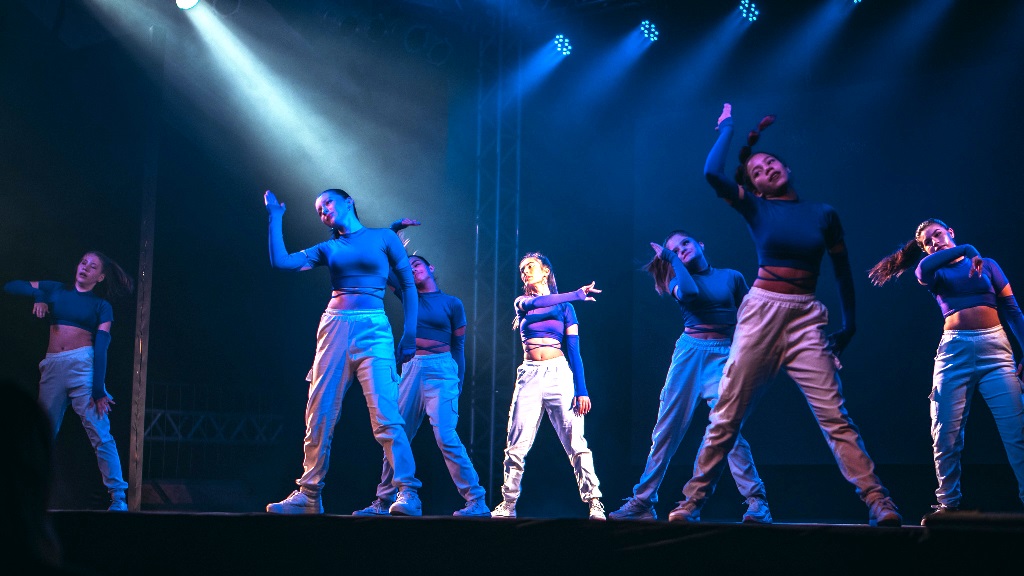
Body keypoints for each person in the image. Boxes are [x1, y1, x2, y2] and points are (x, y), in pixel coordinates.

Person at [667, 103, 902, 526]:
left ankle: (878, 501)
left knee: (835, 416)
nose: (766, 170)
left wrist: (849, 324)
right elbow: (712, 173)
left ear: (787, 168)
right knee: (727, 414)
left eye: (771, 163)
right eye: (757, 171)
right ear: (755, 187)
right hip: (761, 312)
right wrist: (727, 128)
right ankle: (691, 502)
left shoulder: (823, 214)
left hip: (806, 318)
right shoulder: (757, 208)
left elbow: (843, 272)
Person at [262, 188, 422, 516]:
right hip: (334, 327)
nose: (322, 211)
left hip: (373, 328)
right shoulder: (328, 248)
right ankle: (309, 494)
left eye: (327, 203)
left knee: (386, 415)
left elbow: (408, 285)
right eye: (318, 210)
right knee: (319, 412)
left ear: (349, 202)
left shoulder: (383, 238)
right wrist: (275, 217)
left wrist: (410, 333)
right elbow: (281, 262)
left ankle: (407, 492)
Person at [608, 231, 771, 523]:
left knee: (728, 430)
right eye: (674, 249)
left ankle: (757, 501)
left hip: (723, 355)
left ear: (701, 244)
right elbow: (691, 293)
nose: (681, 249)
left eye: (685, 243)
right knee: (666, 430)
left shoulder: (731, 276)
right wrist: (672, 261)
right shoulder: (676, 280)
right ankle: (643, 501)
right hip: (689, 354)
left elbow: (750, 316)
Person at [869, 218, 1024, 523]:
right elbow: (923, 268)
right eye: (928, 242)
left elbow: (1012, 310)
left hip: (996, 352)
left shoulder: (989, 266)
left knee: (1017, 431)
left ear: (950, 232)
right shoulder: (932, 270)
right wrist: (967, 249)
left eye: (938, 234)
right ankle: (948, 503)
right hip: (954, 354)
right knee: (945, 433)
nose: (935, 242)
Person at [352, 223, 488, 517]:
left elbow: (458, 347)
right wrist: (394, 232)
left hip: (442, 369)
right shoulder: (408, 294)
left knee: (446, 437)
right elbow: (387, 267)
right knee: (396, 433)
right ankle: (384, 501)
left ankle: (476, 500)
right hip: (412, 369)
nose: (413, 268)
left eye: (418, 264)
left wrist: (459, 380)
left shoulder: (452, 303)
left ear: (431, 268)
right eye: (409, 266)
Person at [4, 252, 133, 512]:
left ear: (100, 277)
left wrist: (98, 389)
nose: (85, 268)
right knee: (40, 434)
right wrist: (40, 296)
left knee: (100, 432)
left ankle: (118, 497)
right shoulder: (55, 289)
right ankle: (26, 495)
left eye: (92, 266)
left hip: (82, 367)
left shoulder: (101, 306)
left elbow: (101, 349)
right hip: (52, 367)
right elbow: (11, 286)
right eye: (83, 262)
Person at [490, 252, 606, 520]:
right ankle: (508, 503)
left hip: (558, 373)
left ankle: (594, 501)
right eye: (522, 269)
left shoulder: (566, 308)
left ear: (545, 271)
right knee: (515, 443)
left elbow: (574, 351)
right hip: (529, 375)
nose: (525, 271)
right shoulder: (523, 303)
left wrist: (582, 389)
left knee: (576, 442)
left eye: (530, 266)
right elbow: (542, 301)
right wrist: (575, 294)